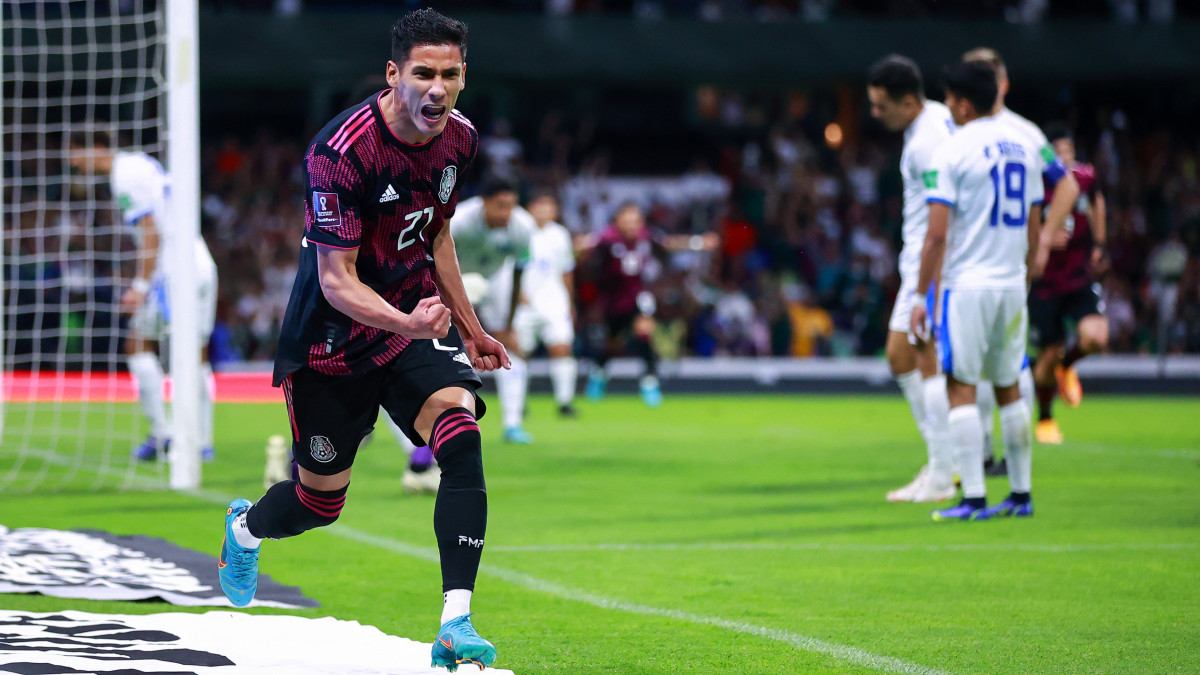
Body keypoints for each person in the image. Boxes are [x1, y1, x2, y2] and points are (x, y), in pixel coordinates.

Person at [216, 10, 504, 671]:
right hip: (331, 344)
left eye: (451, 75)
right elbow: (336, 279)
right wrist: (408, 322)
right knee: (320, 502)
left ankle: (455, 621)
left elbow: (435, 234)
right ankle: (245, 528)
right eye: (424, 74)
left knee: (459, 432)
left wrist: (470, 326)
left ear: (464, 78)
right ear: (393, 74)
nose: (438, 89)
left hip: (408, 325)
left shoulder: (459, 140)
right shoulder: (343, 152)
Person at [911, 61, 1043, 521]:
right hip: (1010, 282)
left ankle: (973, 499)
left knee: (960, 387)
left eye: (949, 99)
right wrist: (1025, 273)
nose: (947, 107)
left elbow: (937, 235)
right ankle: (1021, 495)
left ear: (963, 103)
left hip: (968, 285)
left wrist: (918, 296)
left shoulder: (951, 151)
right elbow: (1034, 222)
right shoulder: (1025, 147)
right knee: (1008, 385)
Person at [67, 131, 218, 464]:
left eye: (75, 153)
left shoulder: (124, 176)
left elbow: (152, 231)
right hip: (201, 262)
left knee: (137, 344)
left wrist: (140, 285)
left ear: (95, 147)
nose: (72, 162)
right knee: (196, 354)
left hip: (174, 272)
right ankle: (202, 441)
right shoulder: (142, 163)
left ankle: (163, 435)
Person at [961, 47, 1077, 465]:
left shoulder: (971, 134)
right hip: (1010, 265)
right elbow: (1066, 185)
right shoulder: (1024, 134)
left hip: (977, 266)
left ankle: (986, 457)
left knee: (978, 365)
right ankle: (1006, 460)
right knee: (1007, 360)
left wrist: (1044, 237)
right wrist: (1042, 239)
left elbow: (1067, 186)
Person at [865, 54, 957, 504]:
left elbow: (944, 212)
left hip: (932, 263)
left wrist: (926, 284)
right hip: (927, 262)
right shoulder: (938, 118)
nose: (875, 114)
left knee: (917, 357)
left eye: (881, 105)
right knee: (904, 356)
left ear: (906, 101)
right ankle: (943, 462)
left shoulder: (925, 144)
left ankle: (945, 468)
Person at [579, 202, 716, 407]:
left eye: (636, 220)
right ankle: (598, 375)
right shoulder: (606, 239)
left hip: (638, 296)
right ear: (617, 221)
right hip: (613, 301)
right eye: (627, 220)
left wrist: (698, 242)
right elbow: (582, 249)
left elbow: (669, 243)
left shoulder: (646, 237)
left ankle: (649, 383)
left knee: (645, 334)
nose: (632, 225)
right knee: (612, 345)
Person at [1027, 125, 1109, 444]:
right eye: (1058, 151)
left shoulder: (1084, 178)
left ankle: (1068, 366)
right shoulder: (1034, 183)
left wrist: (1099, 243)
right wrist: (1041, 239)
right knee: (1047, 354)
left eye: (1069, 150)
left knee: (1095, 337)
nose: (1065, 157)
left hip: (1077, 275)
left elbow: (1097, 200)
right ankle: (1046, 418)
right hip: (1044, 280)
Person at [449, 175, 537, 443]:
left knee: (510, 351)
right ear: (483, 202)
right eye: (500, 205)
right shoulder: (460, 220)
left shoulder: (523, 225)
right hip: (457, 280)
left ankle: (513, 424)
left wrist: (508, 326)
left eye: (511, 205)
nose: (506, 213)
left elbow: (519, 273)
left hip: (498, 279)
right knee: (450, 350)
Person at [514, 191, 579, 417]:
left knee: (562, 348)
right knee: (519, 352)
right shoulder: (518, 230)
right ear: (529, 208)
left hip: (554, 301)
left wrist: (570, 303)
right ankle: (518, 402)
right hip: (524, 303)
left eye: (548, 206)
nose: (543, 211)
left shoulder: (561, 235)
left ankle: (564, 402)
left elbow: (567, 271)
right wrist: (515, 295)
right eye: (539, 205)